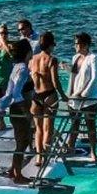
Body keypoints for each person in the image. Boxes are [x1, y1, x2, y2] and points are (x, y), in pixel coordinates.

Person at [0, 39, 34, 184]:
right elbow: (17, 92)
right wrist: (26, 111)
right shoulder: (23, 69)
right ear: (28, 52)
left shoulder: (16, 66)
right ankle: (17, 174)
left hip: (16, 108)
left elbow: (11, 91)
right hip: (20, 109)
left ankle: (14, 169)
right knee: (23, 141)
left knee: (22, 140)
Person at [29, 31, 65, 170]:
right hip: (49, 95)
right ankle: (47, 155)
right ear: (51, 45)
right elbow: (55, 82)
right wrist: (63, 96)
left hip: (35, 96)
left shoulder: (32, 60)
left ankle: (39, 157)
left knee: (38, 129)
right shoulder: (51, 60)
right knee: (47, 129)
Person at [66, 32, 97, 164]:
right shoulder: (75, 57)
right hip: (75, 96)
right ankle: (70, 147)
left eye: (78, 44)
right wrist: (69, 95)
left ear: (85, 45)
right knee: (74, 124)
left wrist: (85, 93)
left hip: (90, 97)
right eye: (75, 43)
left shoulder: (93, 57)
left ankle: (93, 151)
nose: (75, 46)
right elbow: (74, 76)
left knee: (90, 125)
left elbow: (95, 77)